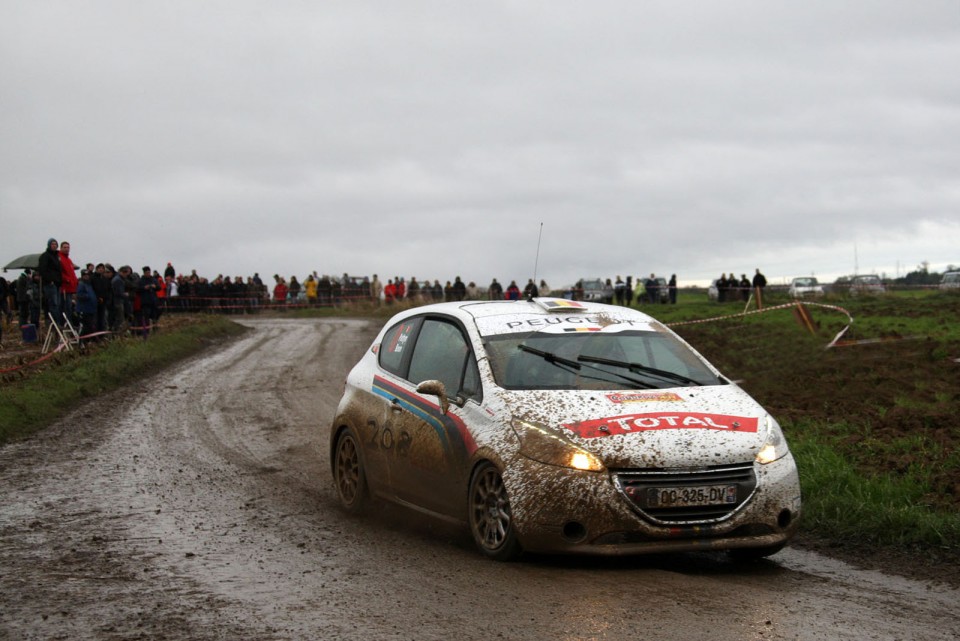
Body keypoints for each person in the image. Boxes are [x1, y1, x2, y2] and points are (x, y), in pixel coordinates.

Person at [38, 238, 63, 326]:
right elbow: (42, 270)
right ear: (49, 245)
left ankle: (58, 322)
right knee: (53, 304)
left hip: (57, 283)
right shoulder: (45, 256)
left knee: (58, 305)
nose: (54, 246)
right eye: (52, 244)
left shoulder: (57, 256)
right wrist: (50, 280)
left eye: (56, 244)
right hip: (50, 284)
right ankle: (55, 323)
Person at [59, 240, 79, 324]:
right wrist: (67, 279)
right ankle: (65, 323)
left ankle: (69, 323)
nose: (67, 249)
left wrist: (75, 282)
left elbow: (72, 273)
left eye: (68, 247)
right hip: (64, 288)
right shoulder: (59, 258)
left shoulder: (69, 260)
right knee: (65, 308)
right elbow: (59, 272)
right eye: (65, 247)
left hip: (71, 288)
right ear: (61, 248)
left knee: (70, 307)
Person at [75, 269, 98, 338]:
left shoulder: (89, 285)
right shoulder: (81, 284)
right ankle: (81, 341)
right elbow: (79, 295)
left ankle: (87, 341)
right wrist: (88, 296)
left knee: (90, 326)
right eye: (85, 275)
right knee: (84, 326)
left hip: (91, 309)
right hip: (84, 309)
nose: (86, 277)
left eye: (88, 275)